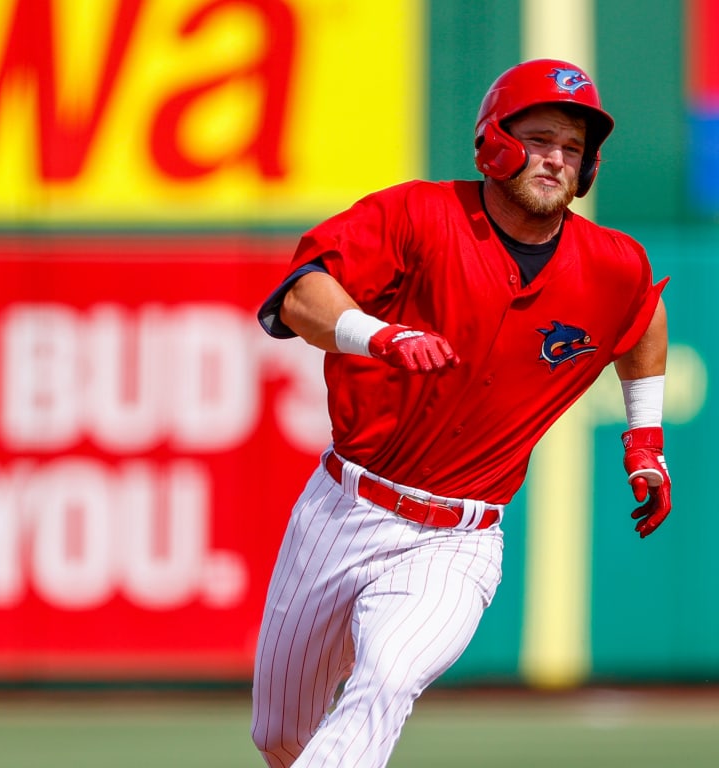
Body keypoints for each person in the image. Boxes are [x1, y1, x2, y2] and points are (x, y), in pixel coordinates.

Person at [249, 58, 671, 768]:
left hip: (459, 537)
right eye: (539, 139)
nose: (557, 159)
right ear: (494, 141)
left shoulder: (611, 264)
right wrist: (377, 335)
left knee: (386, 678)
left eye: (573, 148)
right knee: (282, 736)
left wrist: (646, 438)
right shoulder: (418, 214)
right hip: (342, 509)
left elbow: (644, 318)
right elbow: (301, 294)